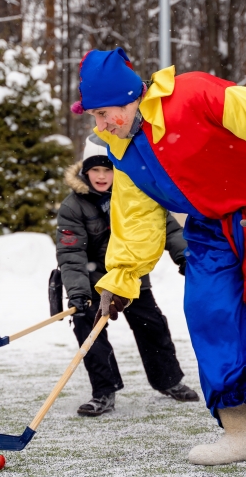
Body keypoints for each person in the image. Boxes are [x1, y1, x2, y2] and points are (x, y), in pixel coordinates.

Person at [70, 48, 246, 465]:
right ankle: (243, 433)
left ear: (132, 97)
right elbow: (136, 218)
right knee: (209, 314)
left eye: (105, 113)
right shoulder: (121, 149)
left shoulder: (195, 94)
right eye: (93, 116)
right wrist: (123, 277)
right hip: (209, 226)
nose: (100, 125)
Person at [56, 133, 199, 417]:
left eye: (107, 169)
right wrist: (78, 293)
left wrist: (185, 257)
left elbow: (166, 227)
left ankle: (169, 381)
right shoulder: (73, 207)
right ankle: (104, 392)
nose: (101, 176)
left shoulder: (136, 193)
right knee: (89, 330)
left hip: (132, 278)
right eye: (94, 170)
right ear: (85, 171)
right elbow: (71, 254)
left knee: (153, 326)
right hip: (93, 283)